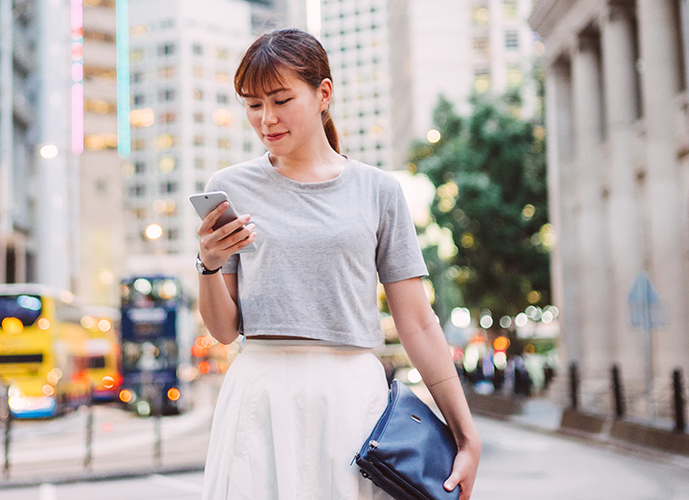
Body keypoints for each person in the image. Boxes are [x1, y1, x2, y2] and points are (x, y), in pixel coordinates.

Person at [196, 29, 481, 500]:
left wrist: (466, 434)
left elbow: (418, 324)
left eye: (281, 100)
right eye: (252, 105)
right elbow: (225, 331)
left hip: (352, 397)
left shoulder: (378, 191)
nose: (266, 119)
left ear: (323, 93)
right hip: (260, 394)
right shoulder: (231, 187)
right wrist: (207, 263)